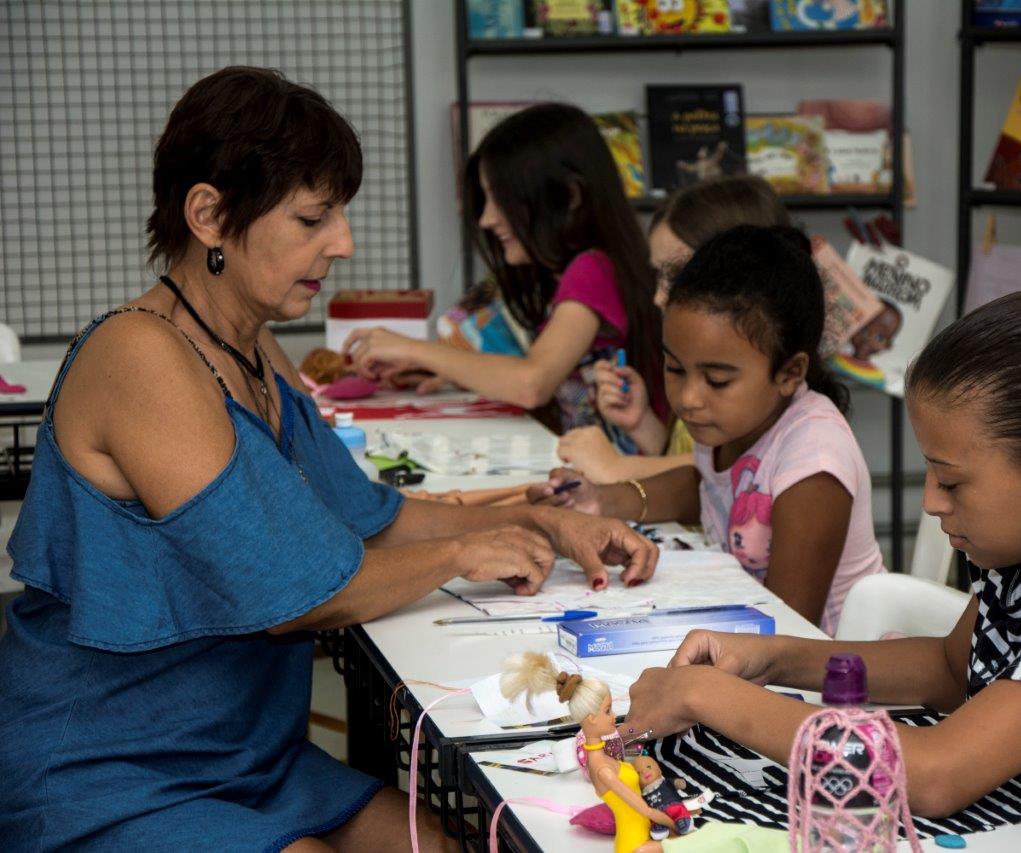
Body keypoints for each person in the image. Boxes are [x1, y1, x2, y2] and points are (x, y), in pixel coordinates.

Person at [0, 67, 658, 852]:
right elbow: (287, 592)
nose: (342, 242)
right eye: (313, 218)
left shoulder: (250, 347)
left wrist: (543, 522)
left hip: (244, 754)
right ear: (208, 215)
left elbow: (370, 517)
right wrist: (462, 550)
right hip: (109, 767)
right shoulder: (139, 354)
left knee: (448, 842)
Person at [624, 290, 1021, 852]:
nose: (932, 502)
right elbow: (948, 668)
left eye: (952, 480)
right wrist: (774, 658)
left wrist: (706, 696)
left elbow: (936, 774)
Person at [532, 226, 884, 634]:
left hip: (830, 662)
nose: (688, 399)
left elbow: (790, 631)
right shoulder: (735, 423)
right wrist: (599, 500)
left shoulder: (814, 461)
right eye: (675, 369)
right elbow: (705, 488)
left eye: (717, 380)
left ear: (790, 373)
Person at [343, 103, 665, 449]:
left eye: (501, 199)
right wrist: (446, 368)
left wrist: (413, 349)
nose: (487, 219)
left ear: (570, 196)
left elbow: (532, 383)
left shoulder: (592, 270)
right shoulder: (576, 272)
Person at [559, 175, 792, 484]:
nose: (659, 297)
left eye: (679, 276)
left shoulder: (765, 382)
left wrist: (617, 468)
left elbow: (728, 473)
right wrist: (641, 423)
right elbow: (691, 466)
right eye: (658, 275)